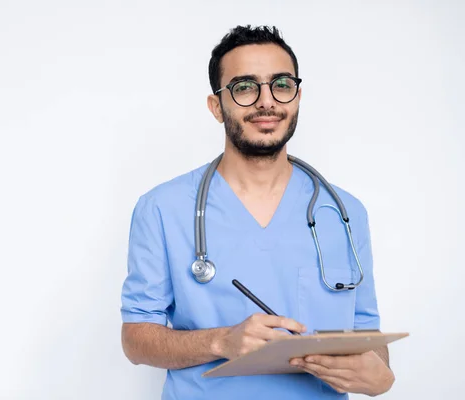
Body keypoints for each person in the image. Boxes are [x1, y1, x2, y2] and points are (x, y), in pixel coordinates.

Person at [119, 25, 394, 399]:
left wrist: (379, 374)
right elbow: (136, 339)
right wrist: (221, 342)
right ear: (217, 106)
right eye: (245, 87)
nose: (267, 101)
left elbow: (366, 332)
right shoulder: (162, 209)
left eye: (281, 84)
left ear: (297, 96)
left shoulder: (345, 212)